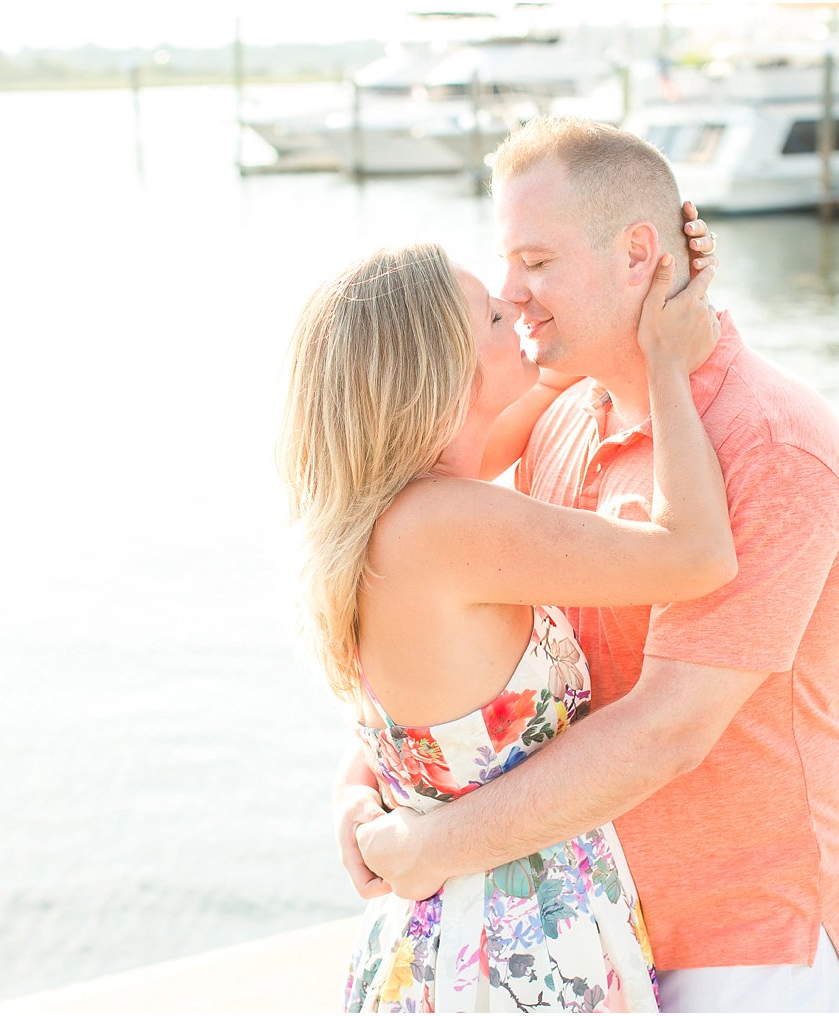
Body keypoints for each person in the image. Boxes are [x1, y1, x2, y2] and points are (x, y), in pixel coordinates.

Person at [347, 116, 839, 1013]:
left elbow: (668, 729)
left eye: (538, 261)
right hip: (581, 931)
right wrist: (367, 783)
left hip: (741, 942)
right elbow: (439, 621)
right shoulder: (560, 417)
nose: (513, 294)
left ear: (639, 255)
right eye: (506, 264)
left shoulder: (774, 449)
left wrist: (432, 849)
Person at [277, 222, 727, 1011]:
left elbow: (554, 377)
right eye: (490, 315)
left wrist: (641, 291)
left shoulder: (394, 511)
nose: (515, 309)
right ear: (440, 369)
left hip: (470, 929)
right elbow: (695, 556)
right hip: (507, 954)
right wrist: (665, 361)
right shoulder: (444, 526)